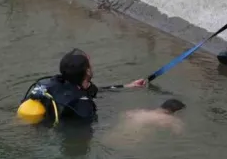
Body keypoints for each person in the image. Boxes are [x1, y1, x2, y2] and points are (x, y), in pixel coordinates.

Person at [17, 48, 147, 125]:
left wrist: (128, 86)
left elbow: (92, 91)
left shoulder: (54, 83)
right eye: (89, 64)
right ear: (88, 72)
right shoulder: (82, 104)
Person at [103, 98, 186, 145]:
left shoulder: (138, 111)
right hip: (128, 144)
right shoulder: (169, 119)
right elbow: (180, 136)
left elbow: (123, 115)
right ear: (170, 111)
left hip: (108, 138)